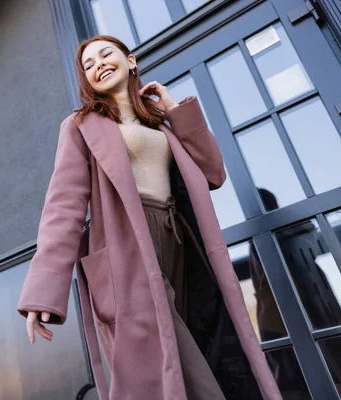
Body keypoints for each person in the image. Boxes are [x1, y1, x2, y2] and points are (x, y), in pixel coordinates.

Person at [17, 34, 282, 400]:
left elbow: (213, 173)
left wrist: (175, 110)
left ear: (131, 61)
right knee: (167, 370)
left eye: (106, 55)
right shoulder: (80, 126)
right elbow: (64, 207)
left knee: (192, 351)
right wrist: (43, 293)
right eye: (88, 65)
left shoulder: (160, 126)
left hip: (176, 242)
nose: (98, 65)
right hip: (126, 250)